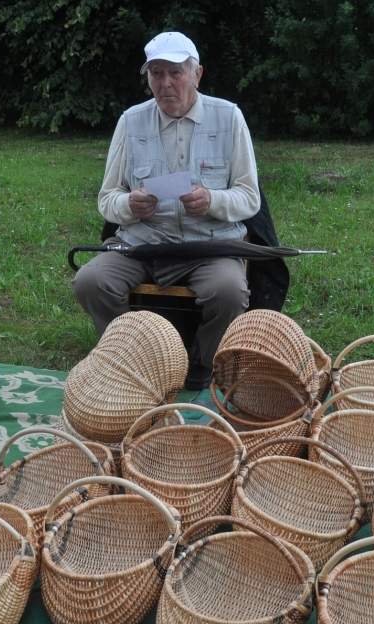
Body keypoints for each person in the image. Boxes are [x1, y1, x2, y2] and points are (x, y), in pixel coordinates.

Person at [72, 31, 261, 390]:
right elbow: (107, 198)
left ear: (197, 74)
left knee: (229, 291)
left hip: (208, 245)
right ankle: (130, 360)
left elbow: (250, 199)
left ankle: (202, 364)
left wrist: (213, 200)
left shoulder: (229, 117)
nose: (165, 83)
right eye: (156, 73)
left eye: (176, 72)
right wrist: (130, 204)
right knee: (90, 282)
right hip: (143, 243)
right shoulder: (131, 121)